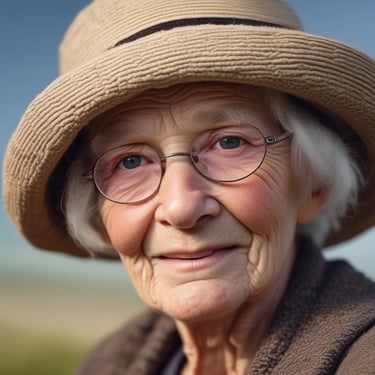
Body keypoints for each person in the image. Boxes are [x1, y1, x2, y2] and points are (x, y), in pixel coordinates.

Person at [3, 0, 375, 374]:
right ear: (98, 215)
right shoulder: (107, 363)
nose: (181, 207)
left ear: (314, 186)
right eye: (130, 161)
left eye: (229, 143)